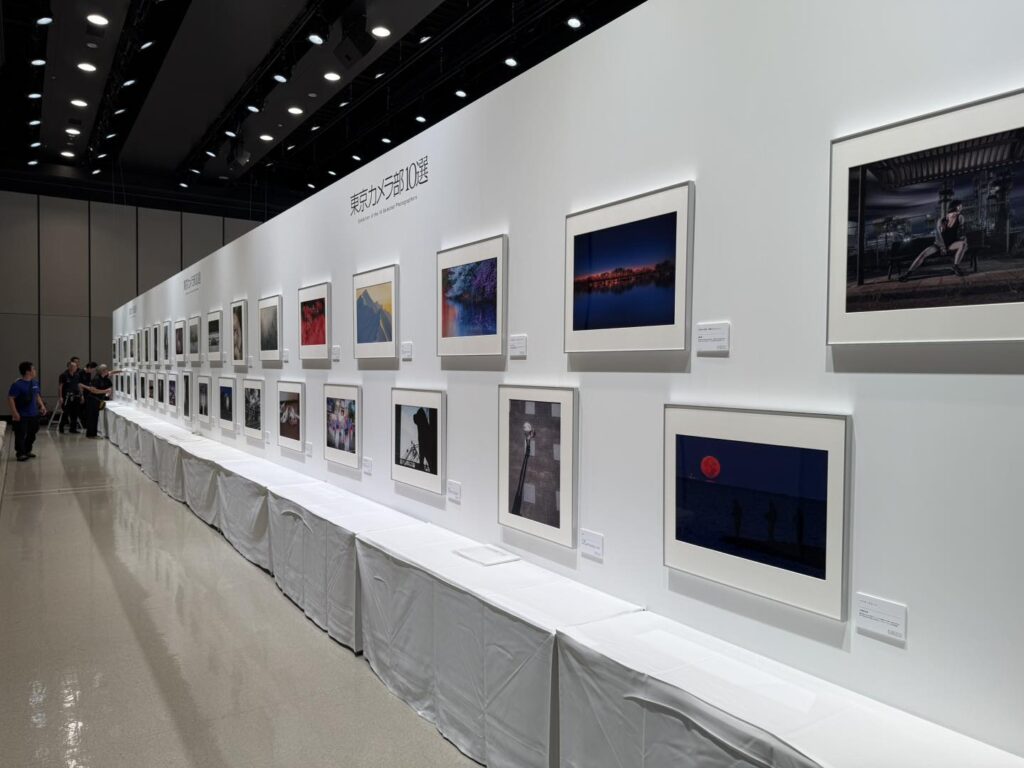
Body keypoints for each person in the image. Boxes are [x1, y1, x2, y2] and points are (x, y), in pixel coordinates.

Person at [900, 200, 969, 281]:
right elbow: (938, 236)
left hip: (952, 244)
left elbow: (962, 231)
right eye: (959, 206)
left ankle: (956, 267)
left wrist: (964, 239)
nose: (961, 207)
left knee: (963, 244)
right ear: (955, 207)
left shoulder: (960, 218)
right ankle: (908, 273)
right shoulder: (942, 220)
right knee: (923, 254)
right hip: (939, 244)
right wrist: (942, 247)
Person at [8, 361, 48, 461]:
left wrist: (42, 406)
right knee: (20, 434)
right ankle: (20, 453)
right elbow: (11, 398)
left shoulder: (35, 382)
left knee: (32, 433)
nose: (35, 371)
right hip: (22, 414)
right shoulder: (17, 384)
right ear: (27, 371)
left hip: (34, 413)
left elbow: (37, 395)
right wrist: (14, 413)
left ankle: (27, 450)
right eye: (33, 369)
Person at [81, 363, 112, 438]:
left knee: (95, 417)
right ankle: (91, 434)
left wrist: (122, 370)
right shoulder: (96, 379)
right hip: (92, 400)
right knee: (92, 417)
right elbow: (93, 390)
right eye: (106, 369)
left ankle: (93, 434)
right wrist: (105, 391)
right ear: (102, 371)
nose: (107, 371)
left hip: (98, 400)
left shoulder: (104, 378)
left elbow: (112, 372)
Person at [58, 359, 84, 434]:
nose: (75, 368)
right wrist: (60, 397)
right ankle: (61, 426)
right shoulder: (63, 375)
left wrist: (81, 395)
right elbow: (60, 386)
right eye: (73, 366)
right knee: (66, 412)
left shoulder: (77, 375)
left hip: (76, 396)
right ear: (69, 367)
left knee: (75, 413)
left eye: (76, 366)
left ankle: (73, 429)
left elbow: (78, 385)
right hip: (67, 397)